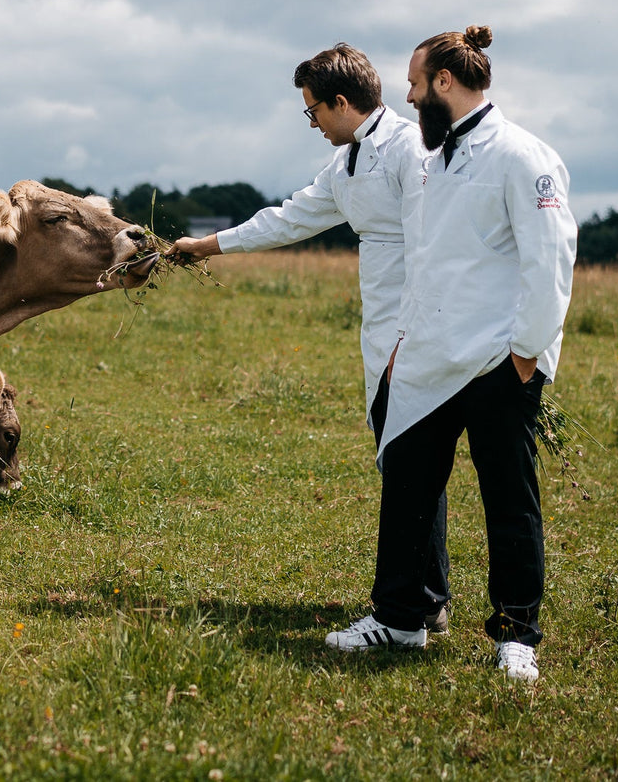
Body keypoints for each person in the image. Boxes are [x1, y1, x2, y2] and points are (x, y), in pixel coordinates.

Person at [169, 43, 451, 635]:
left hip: (415, 326)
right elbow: (289, 219)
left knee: (408, 464)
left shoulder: (409, 149)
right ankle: (429, 598)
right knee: (403, 463)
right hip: (381, 325)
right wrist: (209, 244)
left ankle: (405, 613)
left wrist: (411, 334)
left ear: (341, 103)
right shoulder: (346, 162)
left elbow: (433, 245)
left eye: (313, 111)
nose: (313, 123)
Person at [324, 25, 577, 683]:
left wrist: (525, 356)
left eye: (412, 85)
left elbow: (550, 260)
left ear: (442, 82)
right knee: (406, 484)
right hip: (429, 361)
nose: (406, 100)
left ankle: (516, 634)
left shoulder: (522, 155)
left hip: (499, 361)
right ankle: (402, 619)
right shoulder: (432, 162)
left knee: (507, 498)